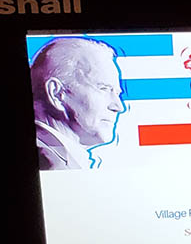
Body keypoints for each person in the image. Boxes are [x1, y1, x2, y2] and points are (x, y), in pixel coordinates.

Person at [30, 37, 125, 170]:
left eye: (117, 94)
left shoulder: (59, 159)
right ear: (57, 93)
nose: (119, 107)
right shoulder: (53, 166)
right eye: (103, 88)